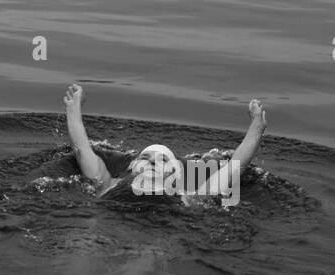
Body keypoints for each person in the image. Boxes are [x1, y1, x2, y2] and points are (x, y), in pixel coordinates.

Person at [61, 83, 268, 206]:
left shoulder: (189, 199)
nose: (151, 161)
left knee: (145, 260)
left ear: (173, 173)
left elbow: (235, 167)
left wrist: (256, 128)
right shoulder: (107, 184)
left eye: (162, 160)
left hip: (152, 234)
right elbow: (81, 149)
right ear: (132, 166)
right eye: (145, 157)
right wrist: (73, 107)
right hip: (111, 225)